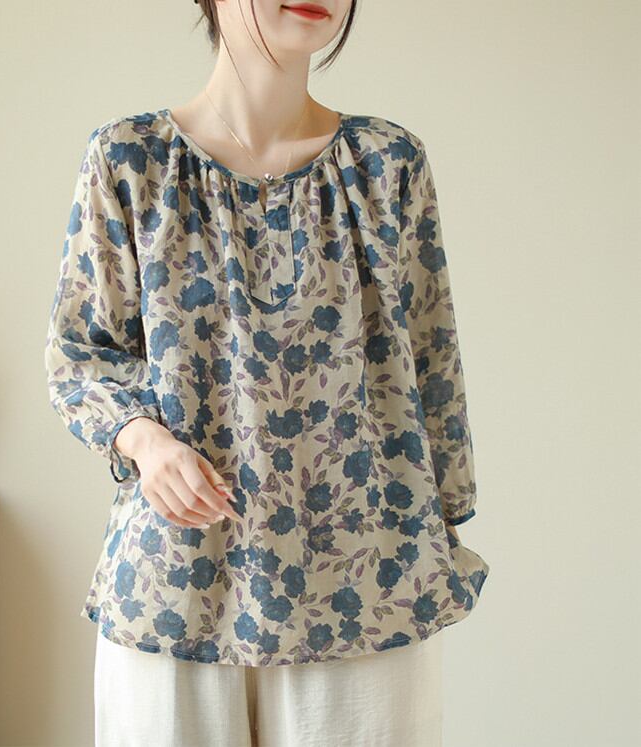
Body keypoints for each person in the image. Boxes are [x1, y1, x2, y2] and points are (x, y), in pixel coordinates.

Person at [44, 1, 489, 744]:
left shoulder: (388, 164)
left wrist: (441, 523)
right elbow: (79, 353)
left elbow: (431, 360)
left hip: (366, 582)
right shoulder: (129, 160)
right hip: (177, 579)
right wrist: (145, 441)